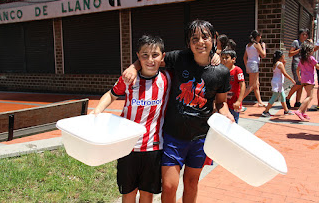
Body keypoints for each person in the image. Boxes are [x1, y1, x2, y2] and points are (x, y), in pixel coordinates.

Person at [123, 20, 234, 203]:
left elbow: (221, 103)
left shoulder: (221, 72)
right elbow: (152, 57)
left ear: (213, 39)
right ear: (188, 43)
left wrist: (226, 113)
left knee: (191, 183)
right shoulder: (179, 58)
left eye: (205, 37)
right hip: (173, 137)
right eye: (194, 38)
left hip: (200, 139)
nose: (200, 42)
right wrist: (134, 67)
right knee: (169, 186)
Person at [91, 35, 171, 203]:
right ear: (138, 56)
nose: (150, 60)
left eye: (155, 55)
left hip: (153, 148)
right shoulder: (129, 79)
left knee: (147, 194)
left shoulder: (167, 79)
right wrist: (96, 110)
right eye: (144, 55)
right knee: (128, 193)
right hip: (127, 147)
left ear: (162, 57)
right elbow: (111, 95)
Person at [261, 50, 295, 117]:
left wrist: (284, 64)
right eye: (283, 57)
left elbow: (281, 71)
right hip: (277, 83)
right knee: (274, 97)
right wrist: (291, 79)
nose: (284, 59)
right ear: (280, 57)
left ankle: (286, 110)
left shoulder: (276, 63)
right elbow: (284, 73)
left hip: (276, 82)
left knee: (282, 96)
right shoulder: (280, 64)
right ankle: (266, 111)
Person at [294, 40, 319, 121]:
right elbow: (317, 66)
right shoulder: (311, 58)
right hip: (309, 80)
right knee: (310, 96)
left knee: (308, 96)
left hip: (304, 80)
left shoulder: (302, 59)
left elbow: (297, 69)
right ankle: (299, 110)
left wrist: (299, 77)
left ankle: (304, 112)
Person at [285, 28, 310, 109]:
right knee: (298, 83)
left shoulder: (306, 43)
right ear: (299, 35)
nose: (305, 36)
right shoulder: (296, 42)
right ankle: (287, 98)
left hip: (304, 65)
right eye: (303, 34)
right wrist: (299, 50)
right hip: (296, 64)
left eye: (306, 34)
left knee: (301, 84)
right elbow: (290, 53)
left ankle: (297, 101)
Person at [220, 49, 246, 123]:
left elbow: (242, 85)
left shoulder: (238, 70)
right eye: (222, 58)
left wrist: (239, 101)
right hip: (224, 103)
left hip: (234, 103)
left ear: (233, 59)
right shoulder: (221, 71)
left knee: (233, 122)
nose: (224, 60)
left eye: (226, 58)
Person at [243, 30, 267, 107]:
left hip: (250, 64)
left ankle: (260, 101)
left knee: (256, 84)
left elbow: (244, 58)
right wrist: (264, 47)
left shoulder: (248, 45)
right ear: (257, 37)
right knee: (251, 85)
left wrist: (247, 66)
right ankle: (239, 99)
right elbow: (263, 55)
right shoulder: (257, 45)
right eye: (260, 36)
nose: (260, 38)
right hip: (254, 65)